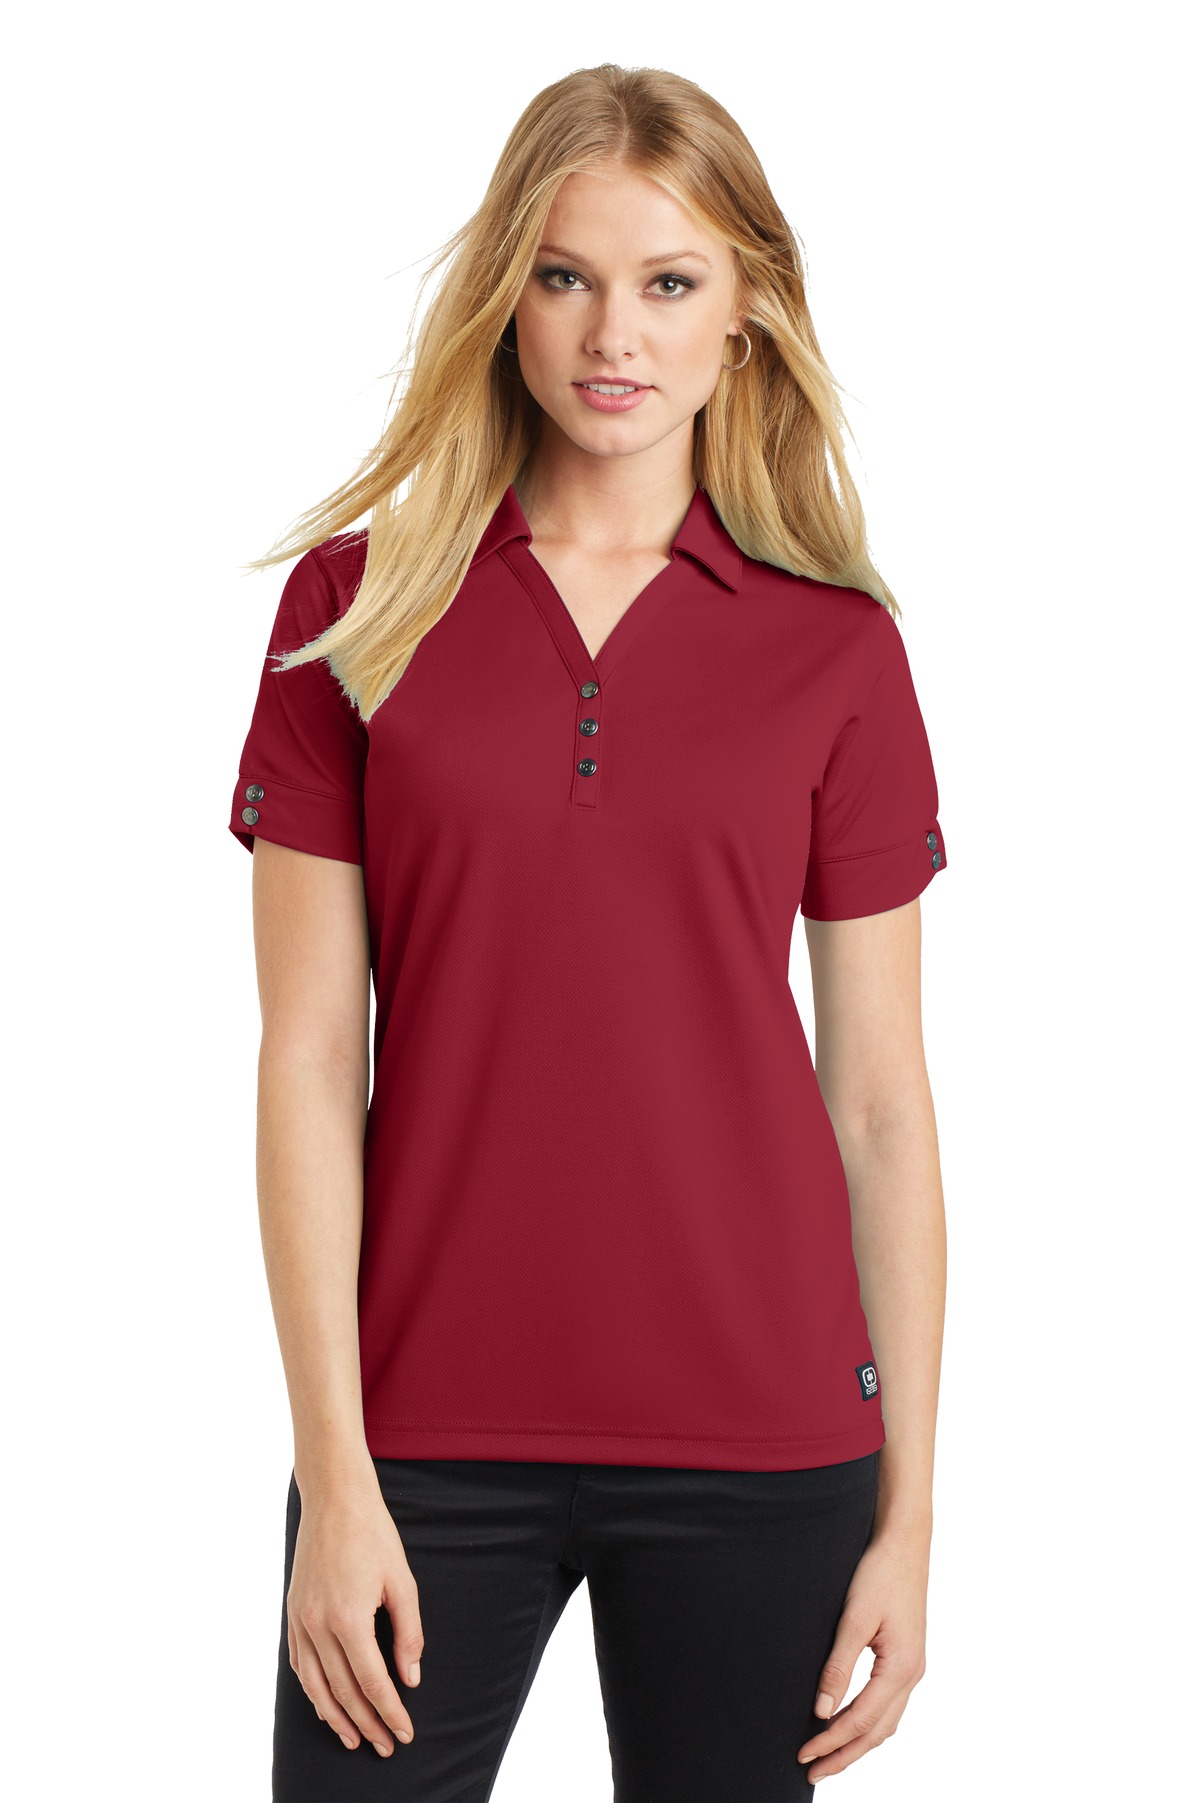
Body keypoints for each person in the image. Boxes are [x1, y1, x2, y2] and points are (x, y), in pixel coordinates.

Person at [228, 62, 948, 1802]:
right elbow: (310, 1059)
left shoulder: (837, 647)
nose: (613, 333)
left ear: (745, 313)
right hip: (418, 1436)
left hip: (763, 1438)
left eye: (667, 282)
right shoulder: (356, 611)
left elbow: (878, 1103)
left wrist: (913, 1519)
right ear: (506, 296)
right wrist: (335, 1474)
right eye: (564, 276)